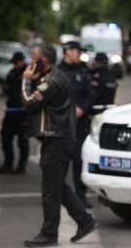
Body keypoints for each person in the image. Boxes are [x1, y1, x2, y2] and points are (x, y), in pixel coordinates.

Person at [21, 43, 98, 247]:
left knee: (50, 189)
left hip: (57, 138)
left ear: (43, 61)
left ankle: (49, 233)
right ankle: (85, 221)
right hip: (59, 137)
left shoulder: (51, 81)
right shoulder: (54, 76)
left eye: (34, 58)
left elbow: (29, 102)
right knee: (57, 185)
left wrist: (25, 81)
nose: (31, 62)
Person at [58, 41, 96, 209]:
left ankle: (80, 195)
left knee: (79, 159)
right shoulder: (57, 72)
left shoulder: (83, 71)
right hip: (61, 123)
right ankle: (59, 194)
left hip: (80, 123)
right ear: (68, 51)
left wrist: (82, 109)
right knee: (60, 160)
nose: (79, 54)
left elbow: (91, 95)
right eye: (77, 51)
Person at [0, 51, 29, 175]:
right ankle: (8, 163)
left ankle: (21, 166)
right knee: (5, 138)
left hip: (23, 113)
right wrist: (5, 88)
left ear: (21, 61)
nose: (14, 65)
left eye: (16, 63)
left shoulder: (28, 73)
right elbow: (8, 87)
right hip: (10, 111)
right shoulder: (12, 72)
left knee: (22, 142)